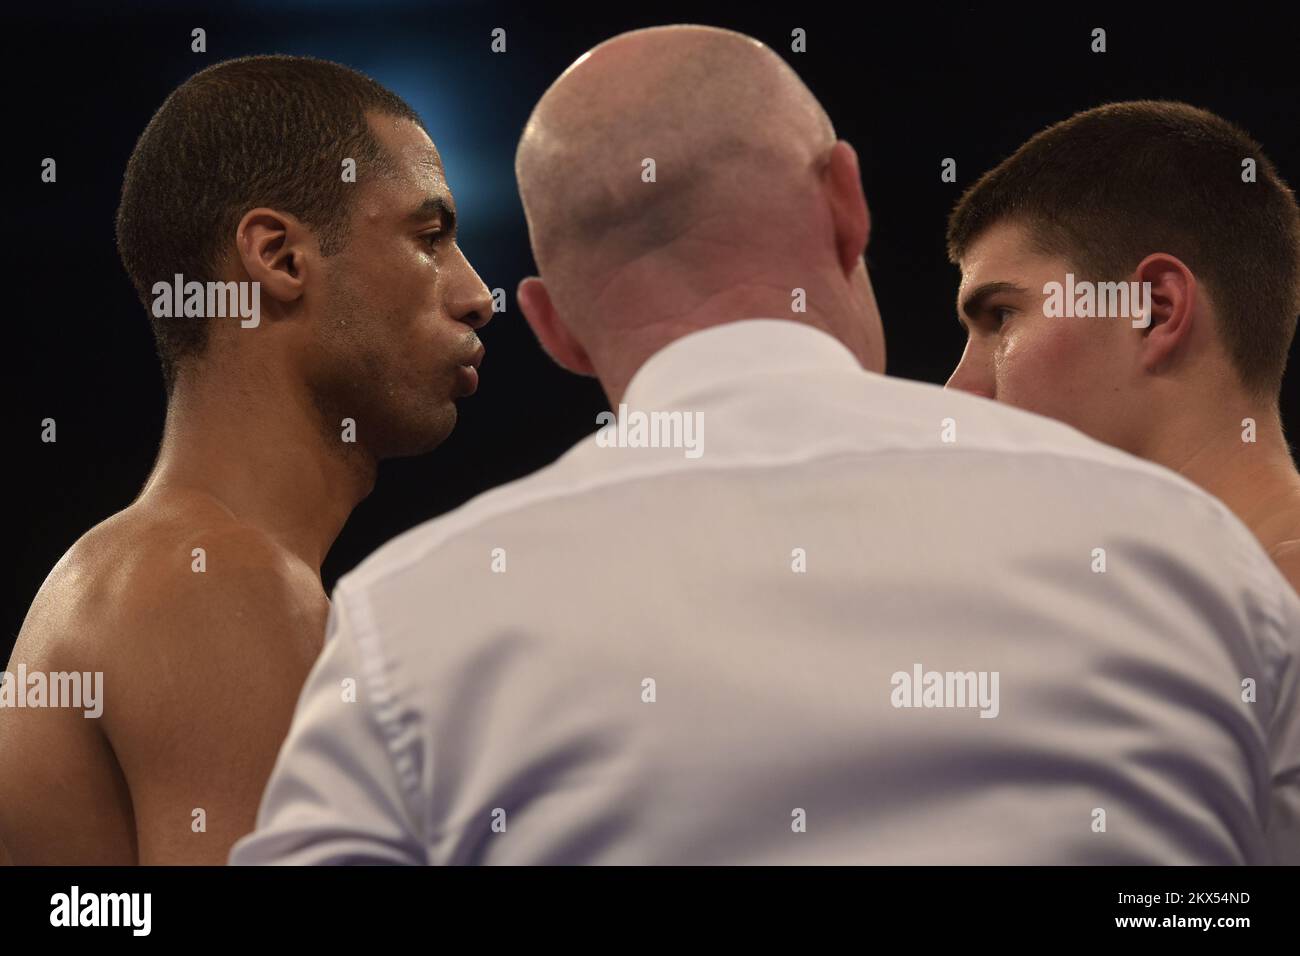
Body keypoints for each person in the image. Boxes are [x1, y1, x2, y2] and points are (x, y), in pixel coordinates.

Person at [233, 28, 1300, 865]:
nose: (970, 378)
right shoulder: (1196, 557)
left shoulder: (408, 619)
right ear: (847, 204)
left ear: (554, 328)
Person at [0, 55, 493, 864]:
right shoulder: (216, 579)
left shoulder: (160, 566)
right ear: (278, 257)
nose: (476, 293)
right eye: (429, 237)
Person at [945, 101, 1300, 591]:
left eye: (1001, 316)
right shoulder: (1169, 608)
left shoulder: (1272, 609)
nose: (958, 389)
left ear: (1155, 311)